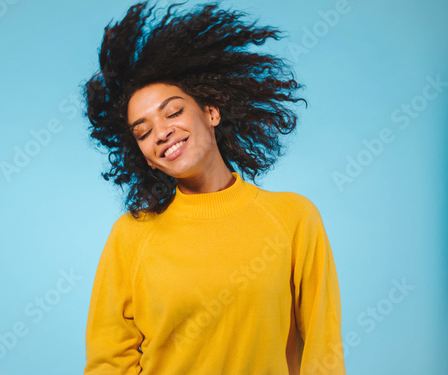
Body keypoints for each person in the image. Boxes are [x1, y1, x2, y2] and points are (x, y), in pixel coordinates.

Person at [81, 1, 346, 374]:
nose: (162, 132)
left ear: (210, 112)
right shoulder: (130, 237)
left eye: (173, 112)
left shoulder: (293, 218)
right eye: (143, 132)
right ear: (145, 156)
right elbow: (109, 363)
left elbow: (323, 350)